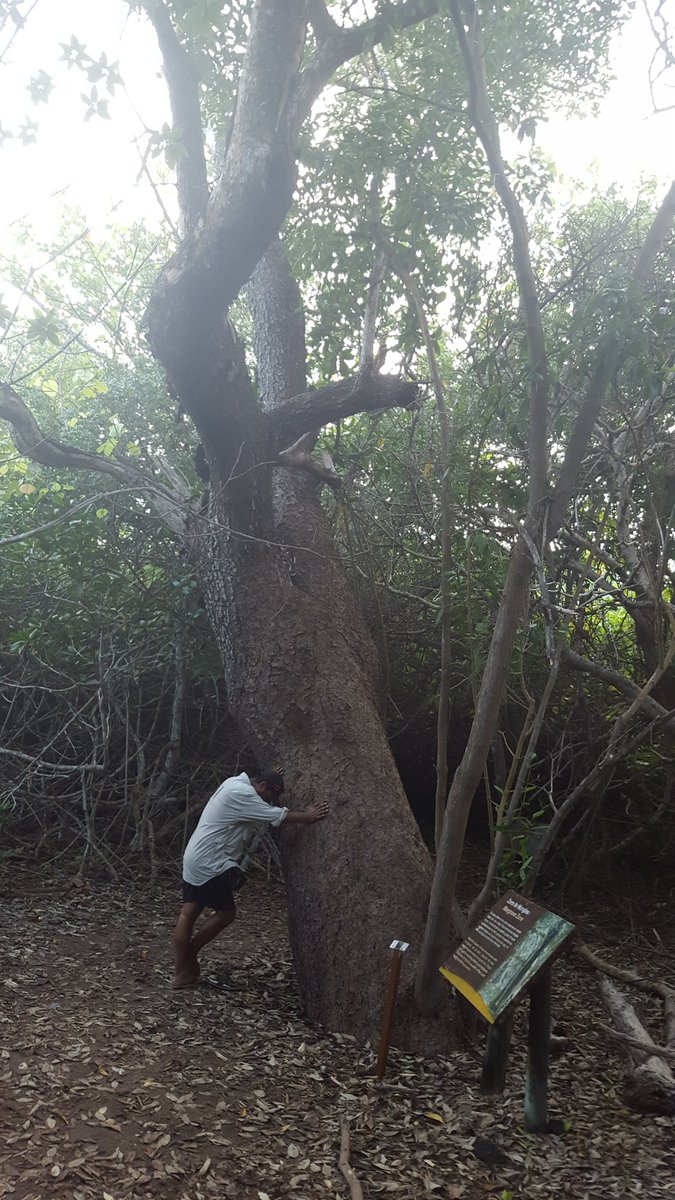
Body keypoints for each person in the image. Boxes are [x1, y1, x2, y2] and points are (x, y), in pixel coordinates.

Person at [172, 768, 328, 988]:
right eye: (269, 796)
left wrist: (273, 776)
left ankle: (181, 972)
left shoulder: (234, 782)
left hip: (195, 855)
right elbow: (277, 816)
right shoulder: (243, 795)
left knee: (188, 914)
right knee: (226, 914)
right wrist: (307, 816)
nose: (269, 802)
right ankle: (189, 956)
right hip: (210, 863)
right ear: (261, 786)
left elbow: (264, 799)